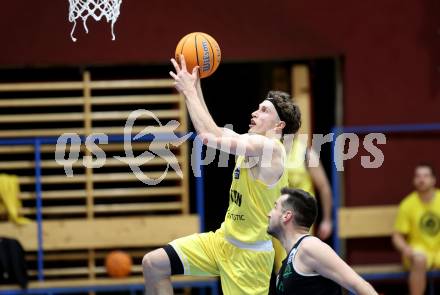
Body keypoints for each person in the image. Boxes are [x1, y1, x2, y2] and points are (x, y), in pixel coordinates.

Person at [141, 55, 301, 294]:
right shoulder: (253, 143)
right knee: (153, 264)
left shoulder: (270, 148)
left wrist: (189, 92)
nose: (256, 112)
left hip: (249, 259)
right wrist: (195, 86)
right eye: (258, 107)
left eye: (265, 110)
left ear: (279, 126)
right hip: (222, 241)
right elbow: (210, 130)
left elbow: (209, 136)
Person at [267, 187, 378, 295]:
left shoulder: (309, 246)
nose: (269, 214)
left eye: (275, 207)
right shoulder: (285, 267)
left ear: (286, 216)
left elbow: (358, 284)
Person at [272, 135, 333, 273]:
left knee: (298, 264)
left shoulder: (307, 153)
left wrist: (327, 220)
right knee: (281, 270)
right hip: (278, 220)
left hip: (300, 221)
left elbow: (324, 187)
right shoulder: (271, 152)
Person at [392, 163, 440, 295]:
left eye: (426, 175)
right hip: (418, 249)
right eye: (418, 176)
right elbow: (397, 236)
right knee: (419, 260)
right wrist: (405, 248)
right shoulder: (407, 204)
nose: (422, 179)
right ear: (414, 180)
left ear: (433, 180)